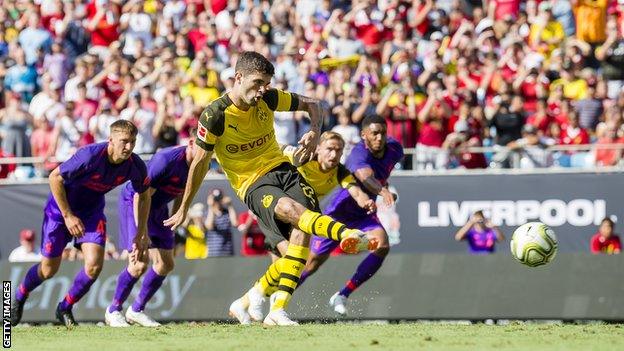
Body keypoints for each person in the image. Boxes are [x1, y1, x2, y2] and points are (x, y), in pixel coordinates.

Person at [163, 51, 375, 326]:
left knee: (300, 240)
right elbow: (200, 164)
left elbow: (314, 104)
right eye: (258, 83)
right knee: (291, 214)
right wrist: (184, 207)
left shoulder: (269, 97)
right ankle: (346, 233)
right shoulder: (215, 114)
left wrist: (314, 131)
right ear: (238, 78)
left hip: (283, 169)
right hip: (252, 182)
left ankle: (270, 308)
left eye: (266, 83)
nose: (263, 90)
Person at [11, 120, 151, 328]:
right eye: (124, 141)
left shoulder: (135, 165)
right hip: (59, 213)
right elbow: (54, 177)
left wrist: (141, 232)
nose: (129, 147)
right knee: (49, 270)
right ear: (110, 140)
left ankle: (65, 307)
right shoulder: (90, 155)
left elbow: (145, 194)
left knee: (94, 266)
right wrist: (68, 215)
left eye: (132, 142)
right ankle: (19, 296)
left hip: (91, 213)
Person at [231, 130, 379, 321]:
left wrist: (366, 202)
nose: (333, 155)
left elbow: (356, 192)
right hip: (276, 212)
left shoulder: (340, 172)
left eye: (338, 151)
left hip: (299, 221)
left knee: (290, 265)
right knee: (293, 259)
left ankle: (247, 302)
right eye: (329, 149)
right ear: (318, 148)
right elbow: (278, 150)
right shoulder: (304, 158)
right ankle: (264, 303)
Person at [298, 115, 403, 316]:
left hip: (364, 211)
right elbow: (366, 177)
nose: (379, 137)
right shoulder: (358, 154)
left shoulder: (395, 149)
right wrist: (382, 191)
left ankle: (343, 294)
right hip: (340, 212)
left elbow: (381, 175)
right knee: (311, 264)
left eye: (382, 133)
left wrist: (383, 186)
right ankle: (278, 298)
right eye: (374, 133)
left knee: (382, 245)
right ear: (364, 135)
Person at [105, 141, 197, 327]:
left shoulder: (199, 165)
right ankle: (113, 310)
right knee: (139, 263)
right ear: (191, 143)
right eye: (202, 148)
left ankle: (136, 310)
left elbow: (183, 193)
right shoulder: (166, 160)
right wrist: (142, 232)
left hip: (158, 208)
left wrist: (176, 216)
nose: (206, 154)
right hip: (135, 203)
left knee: (166, 263)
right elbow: (142, 195)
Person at [204, 188, 237, 257]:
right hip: (213, 254)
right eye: (215, 199)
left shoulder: (227, 213)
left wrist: (230, 205)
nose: (217, 202)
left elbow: (235, 223)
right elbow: (209, 226)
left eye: (219, 199)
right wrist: (210, 206)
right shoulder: (207, 213)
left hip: (227, 253)